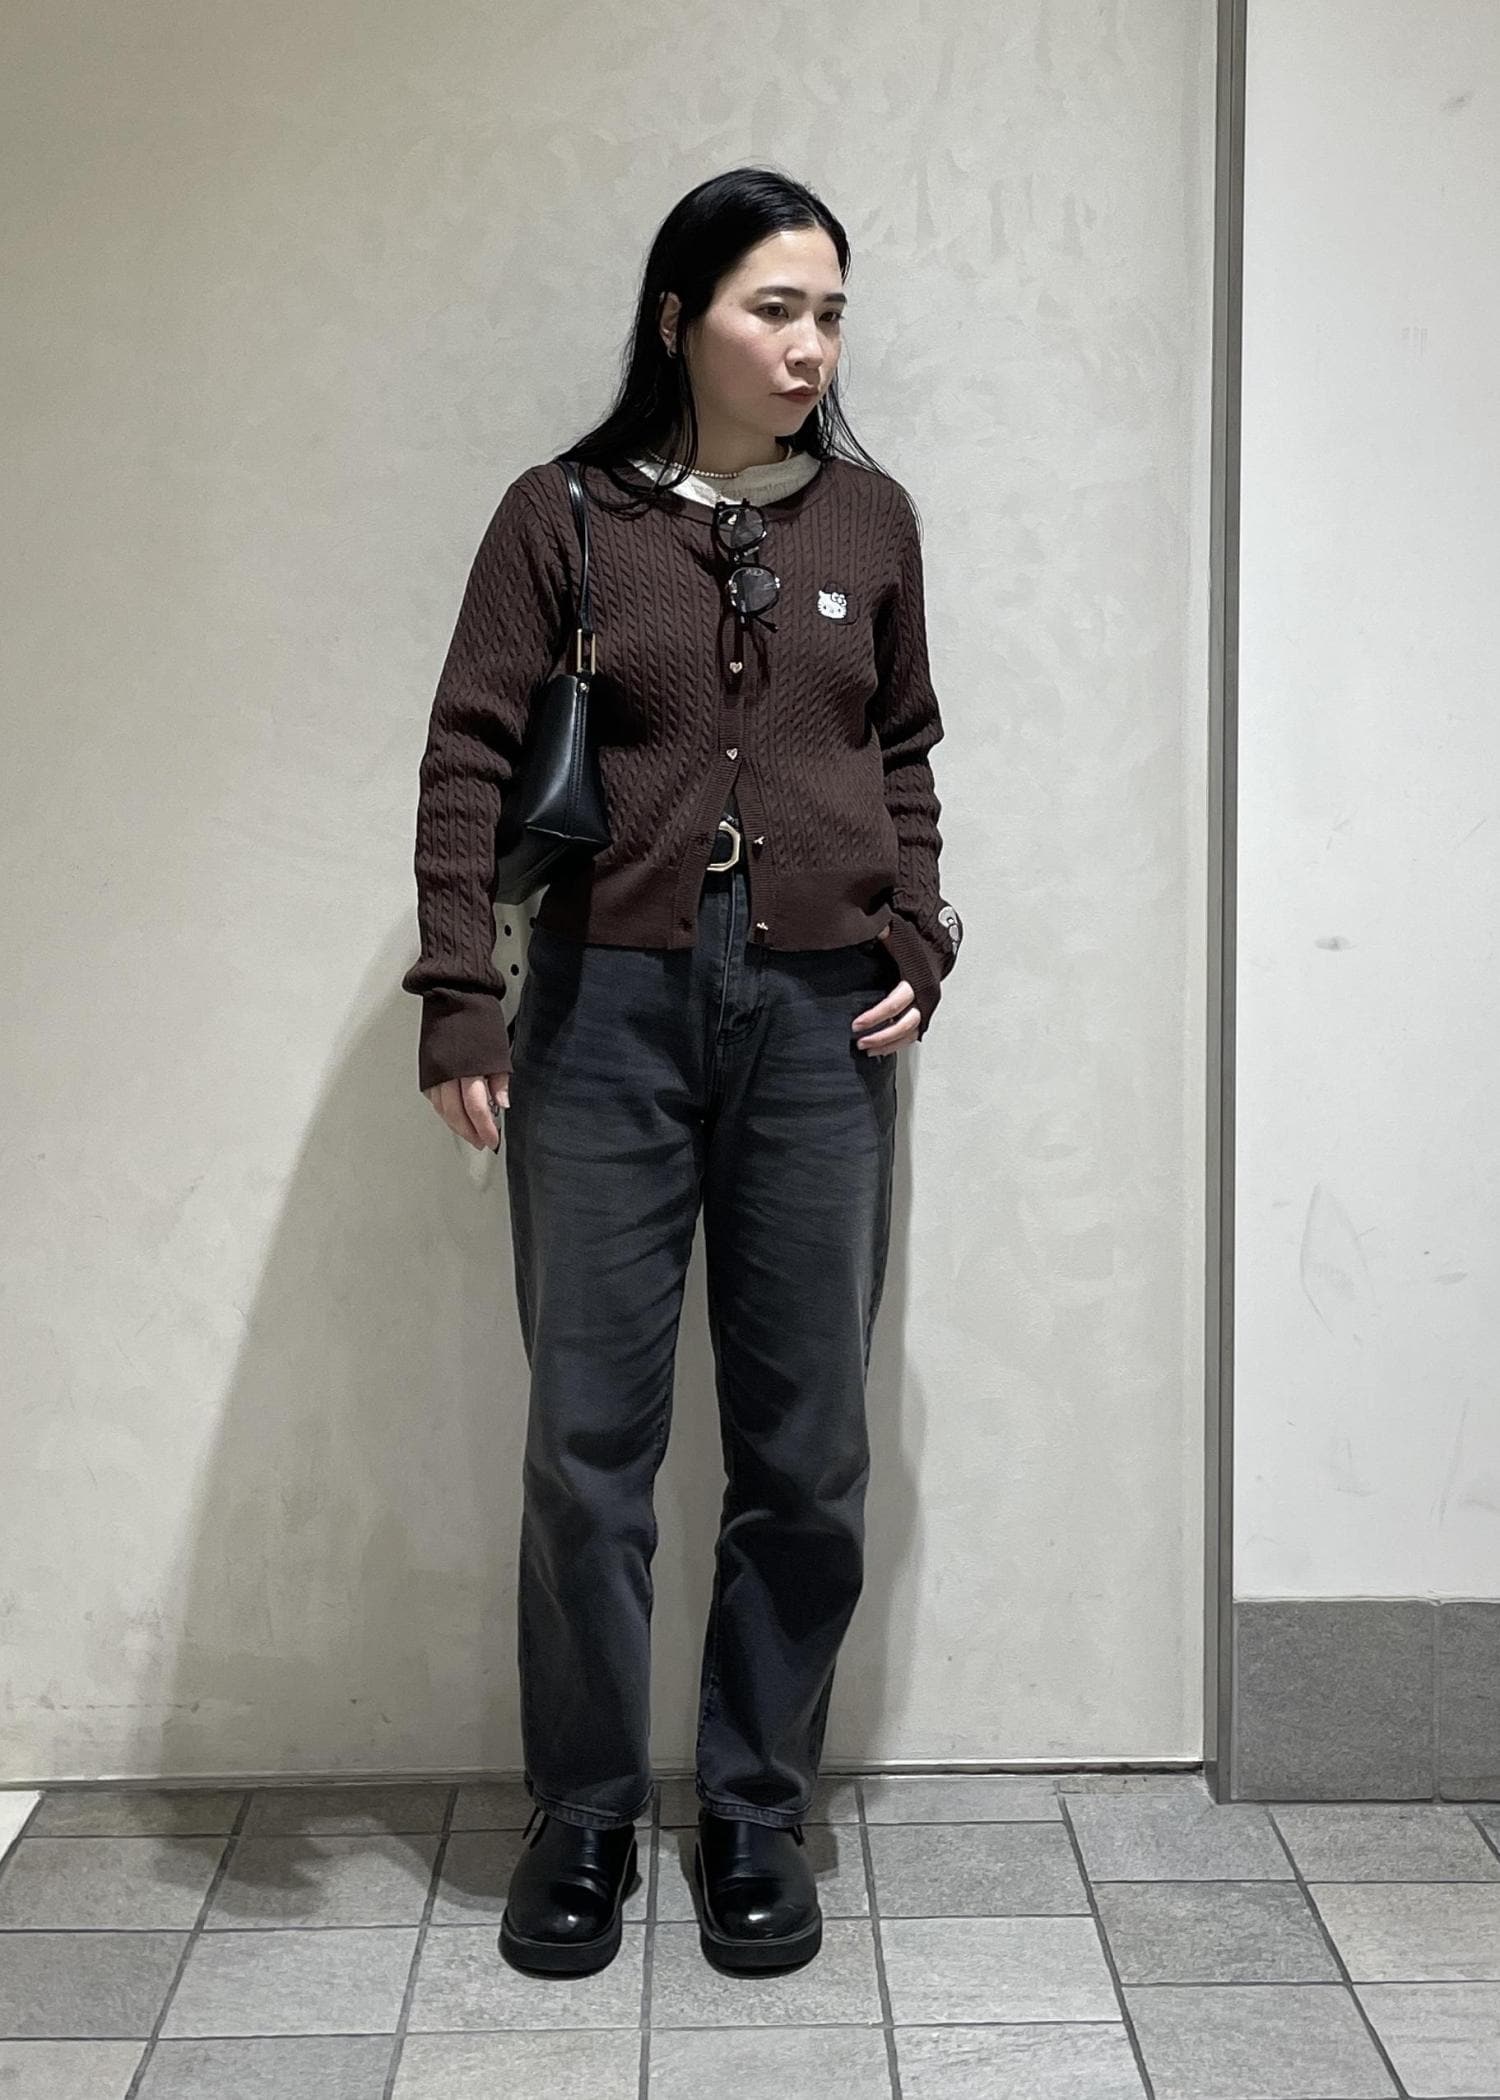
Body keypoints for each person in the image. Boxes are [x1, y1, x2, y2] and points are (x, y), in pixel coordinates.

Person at [400, 166, 962, 1980]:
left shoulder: (871, 521)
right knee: (589, 1445)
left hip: (818, 1022)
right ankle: (581, 1811)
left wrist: (920, 933)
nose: (809, 347)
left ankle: (750, 1809)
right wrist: (457, 994)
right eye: (771, 309)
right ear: (677, 319)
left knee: (807, 1446)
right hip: (602, 1016)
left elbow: (905, 753)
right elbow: (468, 760)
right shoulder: (560, 516)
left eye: (830, 314)